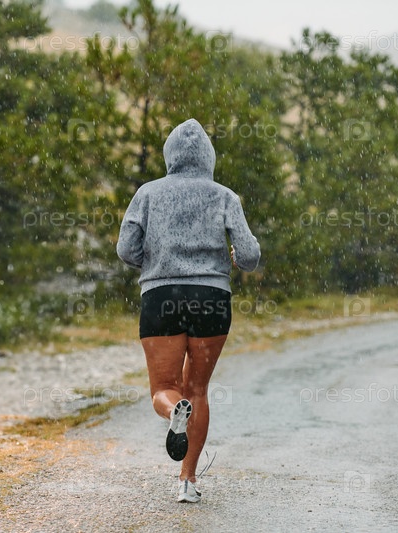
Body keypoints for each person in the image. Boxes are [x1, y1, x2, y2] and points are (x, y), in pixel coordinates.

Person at [116, 118, 260, 503]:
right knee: (197, 389)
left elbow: (126, 250)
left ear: (170, 156)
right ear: (208, 157)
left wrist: (157, 261)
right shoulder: (224, 196)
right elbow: (249, 256)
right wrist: (234, 256)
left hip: (161, 297)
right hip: (211, 298)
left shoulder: (147, 194)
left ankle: (172, 412)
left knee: (164, 388)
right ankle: (187, 481)